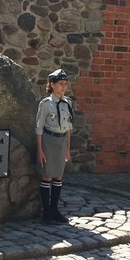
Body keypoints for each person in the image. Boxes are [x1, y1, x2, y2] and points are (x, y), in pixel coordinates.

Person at [35, 69, 74, 225]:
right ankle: (46, 212)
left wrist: (68, 148)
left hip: (61, 141)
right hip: (48, 141)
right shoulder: (45, 104)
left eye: (65, 84)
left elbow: (68, 127)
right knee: (47, 176)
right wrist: (40, 150)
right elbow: (39, 128)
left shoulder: (68, 102)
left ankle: (54, 210)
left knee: (58, 176)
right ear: (52, 85)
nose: (64, 87)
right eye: (61, 84)